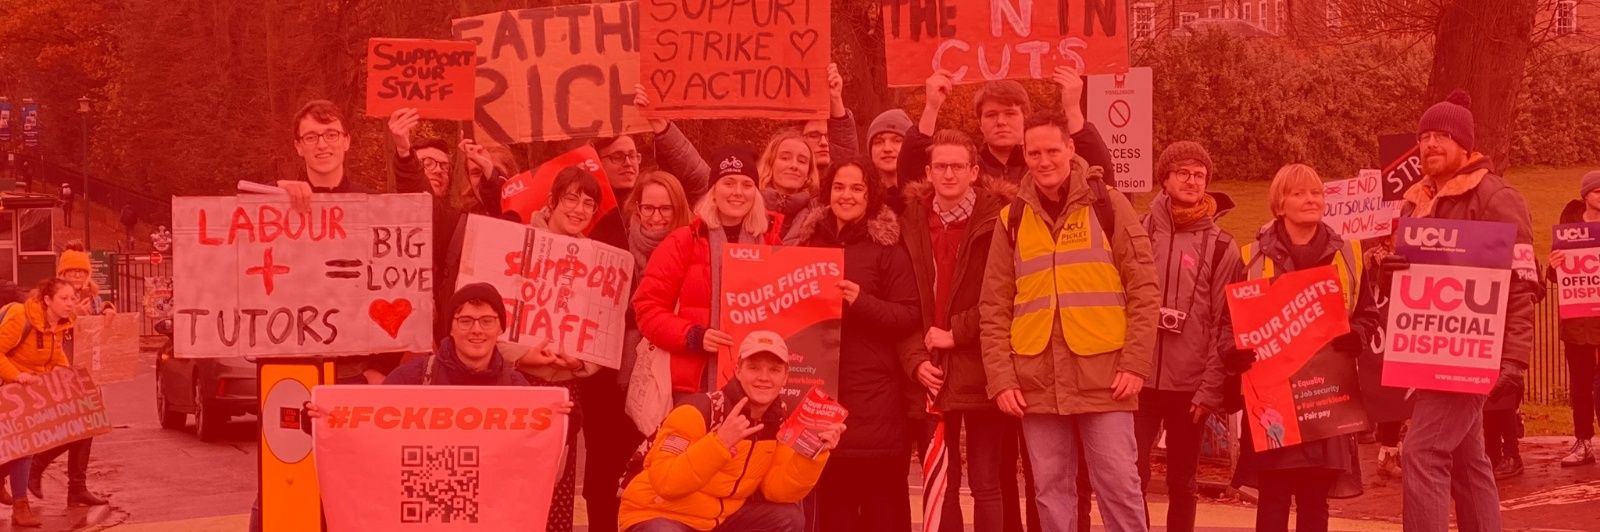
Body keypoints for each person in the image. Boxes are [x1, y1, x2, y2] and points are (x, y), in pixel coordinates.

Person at [978, 111, 1158, 532]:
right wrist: (1001, 379)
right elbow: (994, 307)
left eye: (1052, 151)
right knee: (1050, 490)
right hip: (1037, 381)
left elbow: (1145, 290)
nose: (1044, 161)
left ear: (1070, 149)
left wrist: (1135, 364)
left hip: (1106, 377)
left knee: (1119, 486)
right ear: (1025, 155)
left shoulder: (1108, 205)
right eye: (1034, 153)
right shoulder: (1012, 219)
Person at [1387, 90, 1537, 532]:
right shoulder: (1416, 200)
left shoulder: (1495, 196)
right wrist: (1387, 270)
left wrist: (1514, 359)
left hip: (1472, 354)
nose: (1430, 144)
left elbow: (1523, 282)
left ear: (1465, 145)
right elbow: (1410, 279)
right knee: (1468, 461)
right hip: (1430, 351)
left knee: (1422, 452)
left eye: (1442, 136)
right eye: (1424, 136)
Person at [1224, 164, 1366, 532]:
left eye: (1316, 193)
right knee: (1273, 497)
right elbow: (1228, 322)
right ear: (1279, 204)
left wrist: (1359, 335)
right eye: (1299, 193)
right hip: (1274, 398)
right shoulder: (1250, 256)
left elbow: (1368, 313)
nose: (1310, 200)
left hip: (1326, 395)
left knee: (1315, 500)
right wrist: (1232, 352)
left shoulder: (1349, 253)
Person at [896, 129, 1020, 532]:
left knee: (987, 481)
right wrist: (915, 360)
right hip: (931, 369)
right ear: (928, 172)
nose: (949, 174)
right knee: (941, 482)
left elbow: (1011, 294)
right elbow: (902, 301)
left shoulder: (1001, 219)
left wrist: (957, 333)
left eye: (957, 166)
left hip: (984, 365)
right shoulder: (909, 221)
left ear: (974, 172)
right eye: (941, 166)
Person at [787, 159, 920, 532]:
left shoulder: (887, 248)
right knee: (833, 509)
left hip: (875, 399)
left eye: (857, 188)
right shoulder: (807, 243)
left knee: (882, 510)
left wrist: (862, 301)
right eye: (839, 187)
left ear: (870, 194)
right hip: (819, 394)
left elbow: (909, 314)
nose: (847, 195)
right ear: (828, 192)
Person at [619, 331, 842, 532]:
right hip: (659, 513)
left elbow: (777, 491)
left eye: (774, 370)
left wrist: (813, 454)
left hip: (717, 519)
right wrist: (719, 443)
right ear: (738, 370)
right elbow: (665, 483)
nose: (764, 377)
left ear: (785, 377)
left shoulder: (779, 421)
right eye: (754, 368)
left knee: (789, 518)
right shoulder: (698, 411)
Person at [1135, 142, 1239, 532]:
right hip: (1138, 378)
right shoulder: (1138, 231)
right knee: (1131, 475)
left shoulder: (1222, 245)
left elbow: (1223, 323)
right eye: (1183, 173)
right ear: (1165, 179)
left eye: (1199, 175)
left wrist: (1209, 389)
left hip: (1190, 386)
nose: (1192, 181)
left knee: (1183, 481)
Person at [634, 145, 785, 397]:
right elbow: (647, 310)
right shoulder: (683, 241)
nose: (738, 192)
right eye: (728, 183)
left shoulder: (772, 245)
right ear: (713, 191)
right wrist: (693, 336)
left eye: (747, 185)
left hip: (757, 385)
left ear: (756, 193)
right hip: (693, 386)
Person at [515, 166, 608, 532]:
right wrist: (519, 356)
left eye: (588, 203)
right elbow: (491, 317)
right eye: (571, 199)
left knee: (559, 489)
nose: (579, 209)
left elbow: (602, 331)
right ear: (552, 201)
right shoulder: (517, 243)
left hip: (566, 390)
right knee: (516, 488)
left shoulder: (596, 260)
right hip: (518, 386)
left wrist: (581, 363)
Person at [24, 248, 113, 507]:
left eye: (81, 271)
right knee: (70, 427)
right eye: (71, 271)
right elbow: (48, 325)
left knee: (87, 427)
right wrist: (75, 316)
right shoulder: (54, 297)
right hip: (59, 370)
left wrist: (108, 310)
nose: (76, 276)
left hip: (86, 371)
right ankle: (37, 465)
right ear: (61, 273)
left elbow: (99, 328)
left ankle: (76, 487)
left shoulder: (92, 298)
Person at [0, 278, 82, 527]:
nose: (70, 303)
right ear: (47, 300)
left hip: (27, 391)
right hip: (9, 387)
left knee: (24, 444)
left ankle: (15, 497)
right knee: (24, 445)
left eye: (73, 298)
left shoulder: (57, 324)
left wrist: (65, 373)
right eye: (64, 299)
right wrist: (17, 375)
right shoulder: (21, 317)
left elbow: (54, 354)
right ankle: (20, 505)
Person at [1552, 169, 1600, 467]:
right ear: (1585, 196)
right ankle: (1583, 442)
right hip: (1576, 321)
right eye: (1597, 191)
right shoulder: (1568, 228)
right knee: (1580, 385)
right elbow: (1555, 277)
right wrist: (1553, 265)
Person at [800, 63, 860, 175]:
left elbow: (844, 151)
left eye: (827, 136)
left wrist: (835, 97)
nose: (824, 143)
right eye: (814, 136)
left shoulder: (838, 182)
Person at [759, 132, 820, 237]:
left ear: (808, 172)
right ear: (770, 163)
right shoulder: (748, 206)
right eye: (785, 158)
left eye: (802, 161)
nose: (794, 165)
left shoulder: (817, 218)